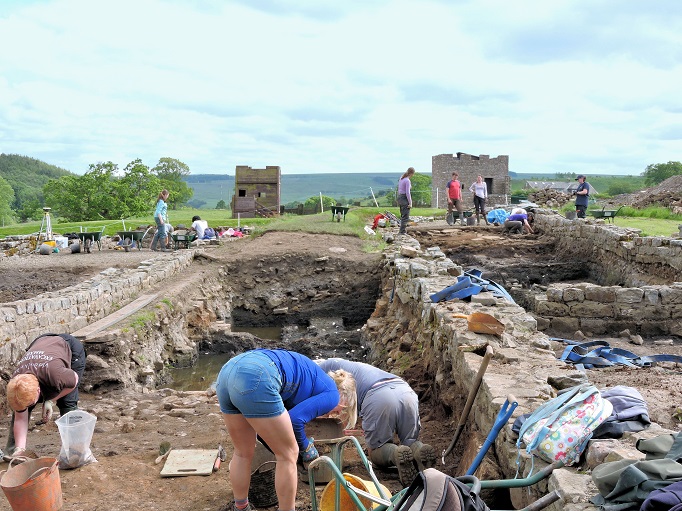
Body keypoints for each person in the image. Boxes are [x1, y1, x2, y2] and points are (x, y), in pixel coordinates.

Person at [216, 349, 357, 511]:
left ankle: (241, 507)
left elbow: (265, 433)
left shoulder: (312, 381)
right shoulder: (332, 394)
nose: (337, 413)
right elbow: (295, 419)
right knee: (288, 454)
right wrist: (306, 448)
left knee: (242, 452)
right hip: (257, 375)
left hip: (228, 372)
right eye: (342, 409)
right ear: (343, 395)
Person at [316, 358, 436, 486]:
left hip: (379, 396)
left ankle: (395, 454)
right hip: (405, 391)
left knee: (375, 450)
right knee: (410, 441)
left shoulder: (322, 369)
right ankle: (420, 450)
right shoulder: (345, 367)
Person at [4, 333, 85, 462]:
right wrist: (20, 449)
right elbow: (20, 418)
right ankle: (15, 450)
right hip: (40, 342)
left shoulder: (55, 375)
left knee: (67, 401)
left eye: (32, 402)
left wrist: (51, 400)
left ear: (38, 390)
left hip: (69, 347)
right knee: (20, 403)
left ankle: (75, 452)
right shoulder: (16, 382)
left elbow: (73, 381)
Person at [397, 167, 415, 235]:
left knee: (402, 215)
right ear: (412, 174)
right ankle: (402, 232)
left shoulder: (401, 178)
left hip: (400, 197)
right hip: (404, 198)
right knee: (405, 216)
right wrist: (410, 203)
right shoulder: (407, 180)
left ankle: (402, 230)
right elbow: (408, 192)